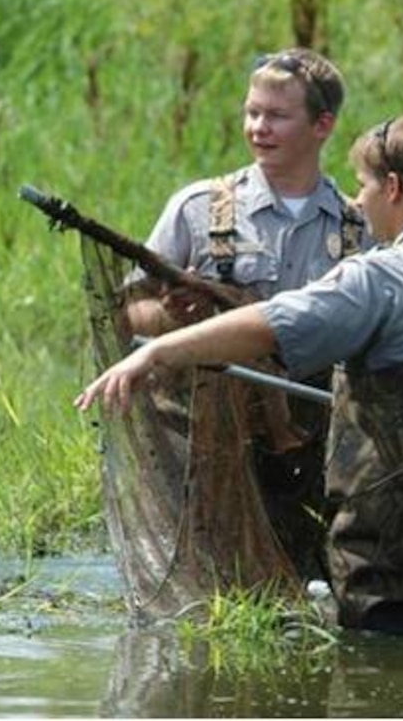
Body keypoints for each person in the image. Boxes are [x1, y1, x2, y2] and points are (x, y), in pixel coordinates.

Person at [77, 115, 403, 635]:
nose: (357, 202)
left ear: (396, 188)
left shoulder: (382, 276)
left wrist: (155, 355)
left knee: (379, 681)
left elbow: (268, 326)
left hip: (394, 562)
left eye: (363, 185)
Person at [118, 47, 371, 584]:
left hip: (316, 450)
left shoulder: (361, 229)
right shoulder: (197, 208)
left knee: (314, 586)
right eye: (252, 112)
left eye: (277, 115)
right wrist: (176, 318)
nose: (258, 127)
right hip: (209, 447)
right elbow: (129, 314)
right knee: (209, 594)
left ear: (323, 125)